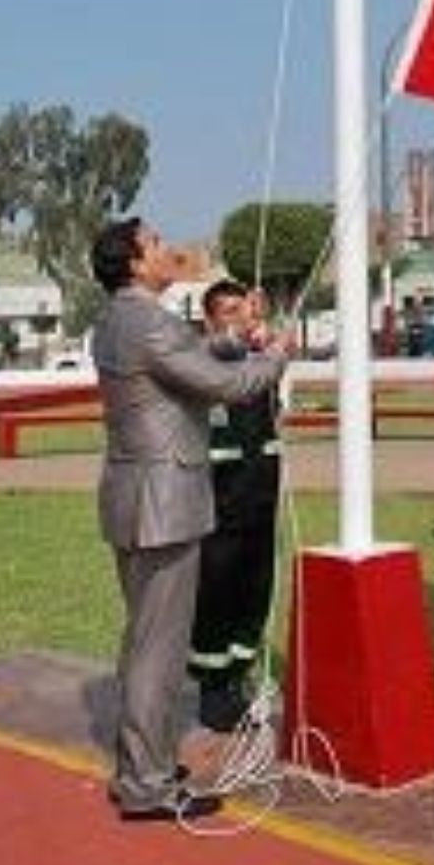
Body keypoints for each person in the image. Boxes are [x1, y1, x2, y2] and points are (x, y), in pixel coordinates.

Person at [90, 217, 287, 821]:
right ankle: (146, 784)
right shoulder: (149, 320)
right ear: (130, 261)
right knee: (159, 649)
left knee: (143, 641)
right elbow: (221, 384)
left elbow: (192, 358)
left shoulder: (117, 320)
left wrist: (237, 338)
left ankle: (140, 762)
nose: (166, 248)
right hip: (163, 500)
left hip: (132, 492)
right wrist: (273, 357)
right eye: (152, 243)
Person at [187, 278, 284, 734]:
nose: (239, 319)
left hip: (260, 500)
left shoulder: (256, 363)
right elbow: (215, 353)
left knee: (255, 592)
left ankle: (238, 677)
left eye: (242, 310)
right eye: (228, 311)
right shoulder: (200, 362)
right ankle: (212, 688)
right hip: (218, 506)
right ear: (209, 320)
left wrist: (267, 340)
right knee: (215, 597)